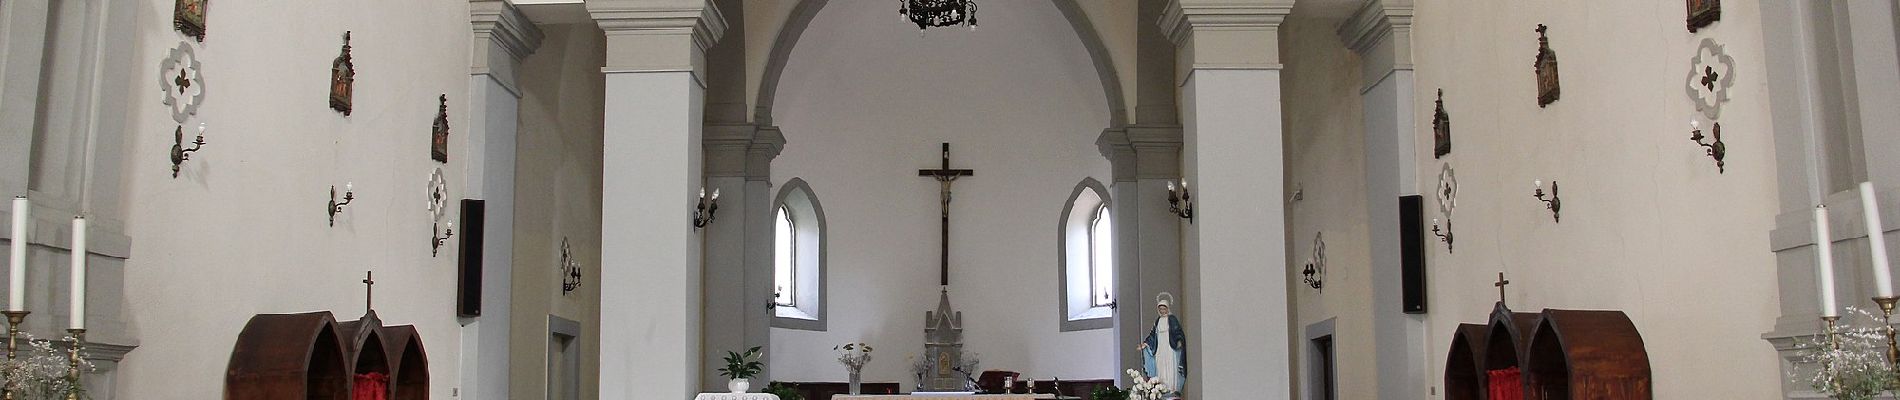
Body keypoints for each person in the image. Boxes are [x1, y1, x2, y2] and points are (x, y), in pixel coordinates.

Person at [1137, 292, 1186, 394]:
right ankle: (1161, 389)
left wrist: (1179, 340)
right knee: (1160, 365)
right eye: (1160, 309)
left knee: (1170, 365)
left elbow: (1178, 332)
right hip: (1160, 347)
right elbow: (1152, 335)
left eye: (1164, 309)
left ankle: (1171, 388)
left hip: (1169, 347)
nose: (1162, 311)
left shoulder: (1172, 319)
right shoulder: (1158, 320)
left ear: (1167, 309)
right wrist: (1145, 344)